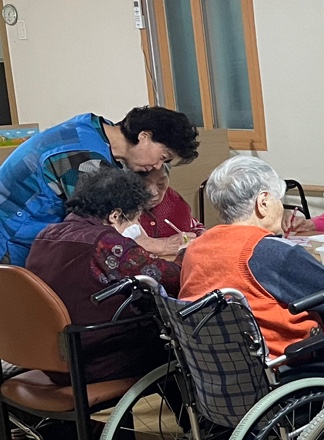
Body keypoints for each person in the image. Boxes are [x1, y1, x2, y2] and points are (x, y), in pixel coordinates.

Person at [180, 157, 324, 360]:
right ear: (263, 202)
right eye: (278, 199)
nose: (280, 207)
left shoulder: (195, 248)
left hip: (218, 365)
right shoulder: (271, 253)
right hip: (287, 364)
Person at [26, 168, 179, 384]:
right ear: (115, 215)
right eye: (134, 219)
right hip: (96, 359)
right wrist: (187, 255)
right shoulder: (106, 242)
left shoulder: (46, 235)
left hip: (51, 356)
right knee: (182, 347)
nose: (135, 227)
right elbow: (171, 278)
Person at [0, 106, 199, 267]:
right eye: (163, 157)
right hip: (11, 238)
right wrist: (162, 246)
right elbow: (106, 229)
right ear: (144, 136)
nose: (157, 166)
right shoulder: (82, 157)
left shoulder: (96, 131)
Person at [138, 163, 202, 256]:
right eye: (144, 186)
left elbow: (193, 225)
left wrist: (201, 235)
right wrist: (160, 245)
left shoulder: (174, 200)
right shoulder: (121, 210)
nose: (154, 193)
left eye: (161, 184)